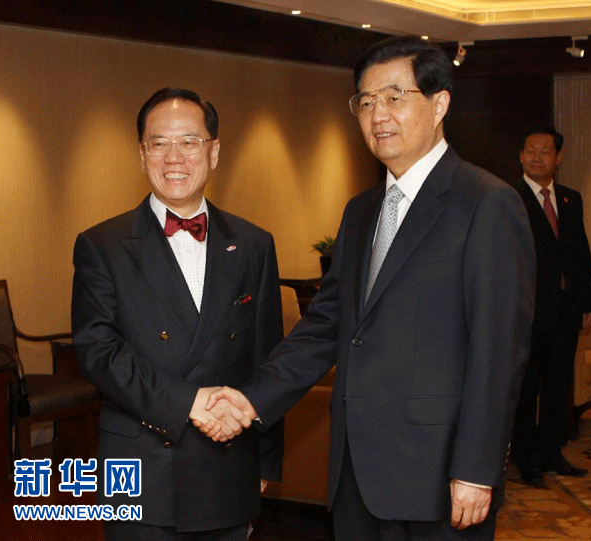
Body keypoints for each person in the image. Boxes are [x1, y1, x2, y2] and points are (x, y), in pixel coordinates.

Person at [201, 36, 535, 541]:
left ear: (440, 103)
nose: (379, 115)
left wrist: (476, 468)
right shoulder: (361, 212)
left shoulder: (486, 203)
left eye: (395, 97)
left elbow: (499, 350)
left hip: (439, 476)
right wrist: (250, 399)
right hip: (355, 473)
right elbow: (326, 326)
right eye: (366, 101)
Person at [71, 87, 283, 540]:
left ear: (214, 152)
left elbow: (267, 357)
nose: (174, 157)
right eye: (159, 143)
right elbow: (99, 352)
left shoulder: (253, 244)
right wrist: (188, 402)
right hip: (143, 469)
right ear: (141, 154)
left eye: (189, 141)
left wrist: (265, 461)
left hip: (228, 466)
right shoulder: (101, 246)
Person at [511, 125, 591, 486]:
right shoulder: (508, 198)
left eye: (545, 151)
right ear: (521, 156)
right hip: (526, 313)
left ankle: (551, 453)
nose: (537, 157)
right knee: (527, 388)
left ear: (558, 158)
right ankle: (525, 459)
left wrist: (588, 302)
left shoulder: (570, 199)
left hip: (565, 310)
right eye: (530, 150)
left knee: (558, 386)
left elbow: (581, 252)